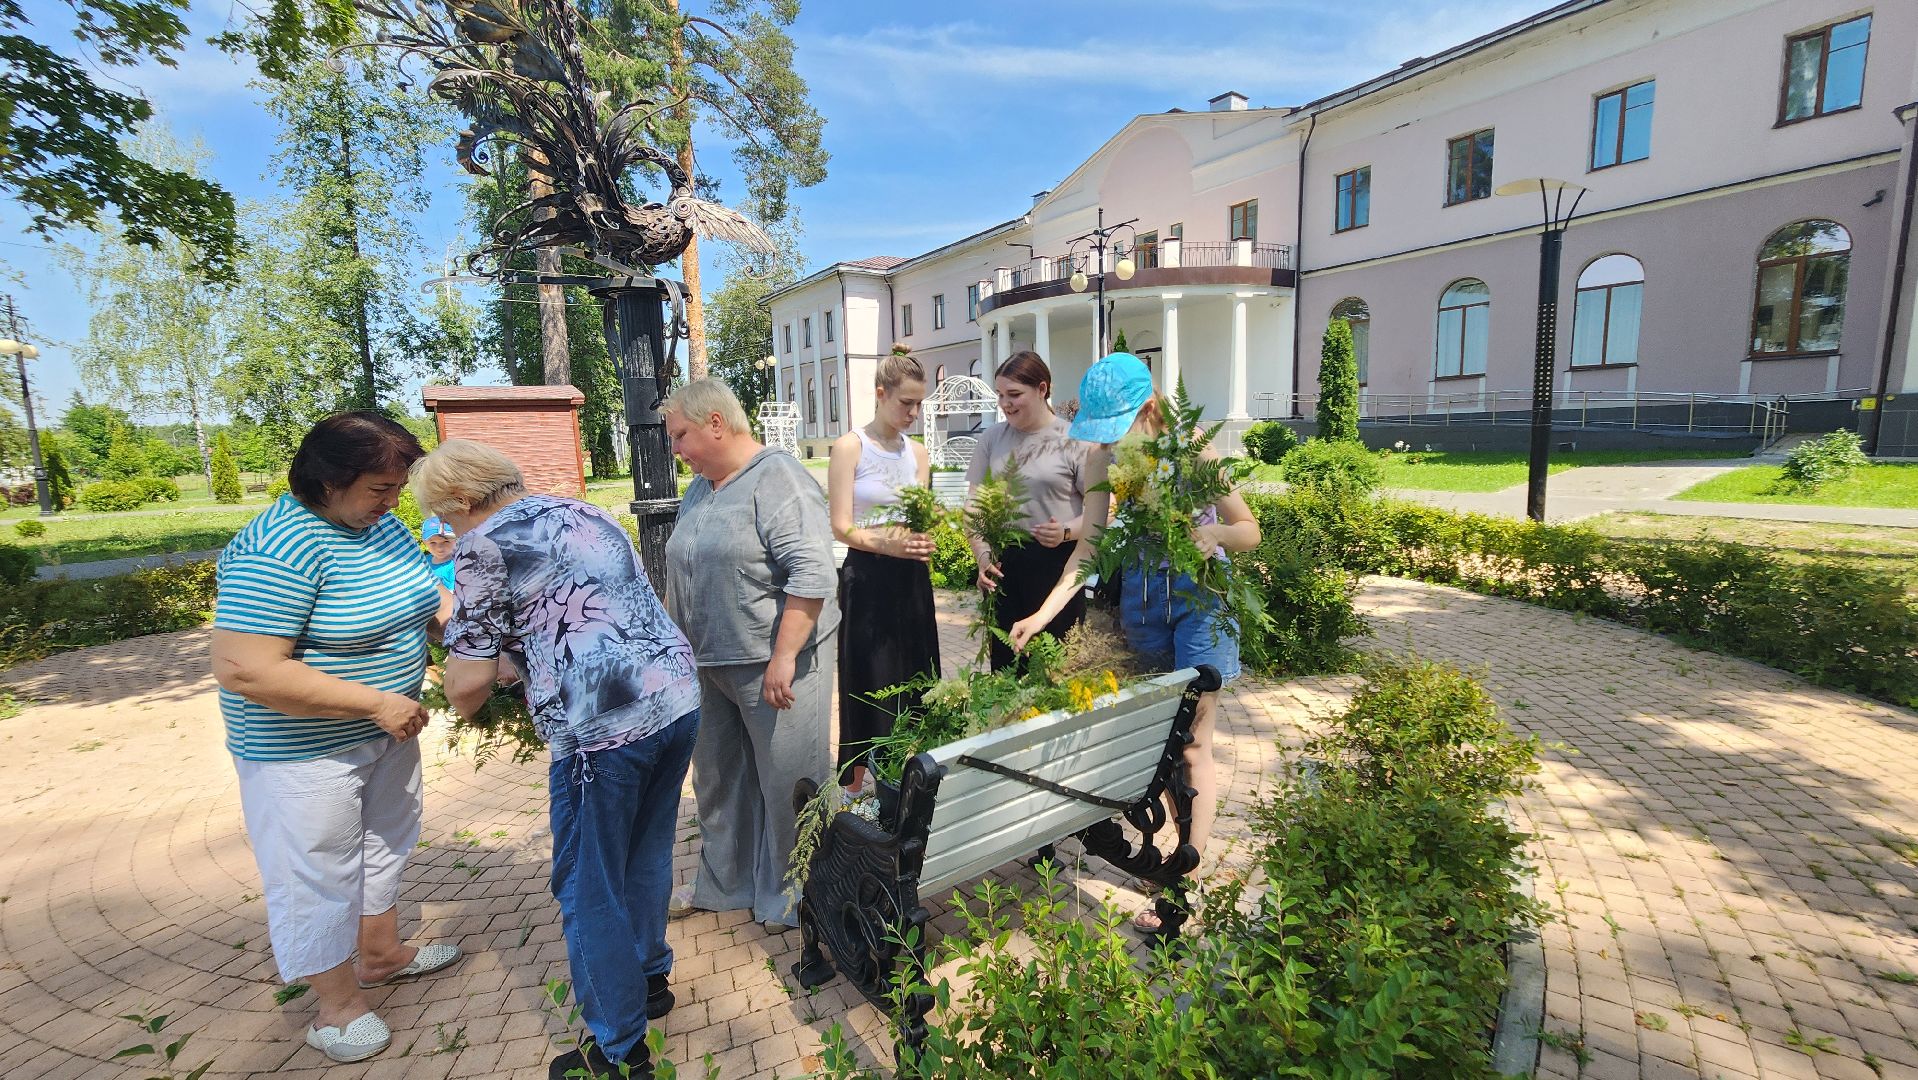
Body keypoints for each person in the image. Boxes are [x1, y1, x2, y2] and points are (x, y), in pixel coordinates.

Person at [414, 440, 700, 1080]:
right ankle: (651, 980)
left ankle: (619, 1051)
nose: (445, 530)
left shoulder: (481, 547)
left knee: (586, 884)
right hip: (675, 698)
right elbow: (586, 615)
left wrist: (455, 662)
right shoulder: (586, 514)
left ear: (463, 501)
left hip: (602, 731)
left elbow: (465, 690)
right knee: (648, 851)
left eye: (442, 516)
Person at [209, 412, 462, 1065]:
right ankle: (337, 1006)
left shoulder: (377, 528)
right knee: (316, 868)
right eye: (381, 487)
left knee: (385, 843)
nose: (394, 501)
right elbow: (245, 667)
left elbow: (425, 599)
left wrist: (477, 643)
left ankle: (381, 955)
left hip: (386, 731)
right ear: (329, 480)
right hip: (303, 750)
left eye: (397, 487)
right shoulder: (280, 546)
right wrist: (375, 702)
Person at [1008, 353, 1261, 931]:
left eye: (1117, 427)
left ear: (1148, 409)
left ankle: (1181, 881)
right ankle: (1175, 856)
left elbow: (1249, 530)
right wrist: (1043, 615)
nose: (1111, 441)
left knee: (1192, 743)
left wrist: (1214, 532)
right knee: (1159, 747)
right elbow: (1090, 547)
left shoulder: (1191, 447)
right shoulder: (1101, 458)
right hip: (1141, 607)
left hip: (1201, 603)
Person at [661, 378, 839, 931]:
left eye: (681, 435)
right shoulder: (701, 488)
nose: (675, 449)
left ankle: (798, 894)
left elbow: (812, 572)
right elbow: (682, 572)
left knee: (789, 783)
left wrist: (784, 656)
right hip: (707, 663)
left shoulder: (780, 478)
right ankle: (727, 883)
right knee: (718, 780)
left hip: (776, 666)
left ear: (716, 422)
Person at [827, 345, 939, 794]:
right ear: (880, 393)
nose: (913, 412)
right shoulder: (849, 447)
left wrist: (925, 540)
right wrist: (885, 545)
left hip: (912, 581)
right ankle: (854, 790)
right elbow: (840, 526)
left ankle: (910, 782)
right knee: (867, 678)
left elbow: (921, 516)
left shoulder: (920, 454)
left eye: (919, 404)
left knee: (917, 677)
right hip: (867, 579)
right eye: (905, 402)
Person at [965, 350, 1089, 673]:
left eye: (1015, 394)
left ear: (1043, 389)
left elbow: (1105, 510)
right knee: (1008, 676)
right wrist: (983, 556)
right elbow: (973, 509)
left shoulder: (1073, 439)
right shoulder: (991, 439)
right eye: (1000, 395)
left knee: (1059, 675)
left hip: (1060, 568)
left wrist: (1066, 531)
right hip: (1005, 569)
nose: (1005, 403)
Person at [421, 516, 457, 591]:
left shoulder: (457, 566)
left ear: (456, 540)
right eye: (432, 542)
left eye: (446, 541)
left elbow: (454, 596)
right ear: (424, 542)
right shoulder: (423, 561)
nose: (439, 548)